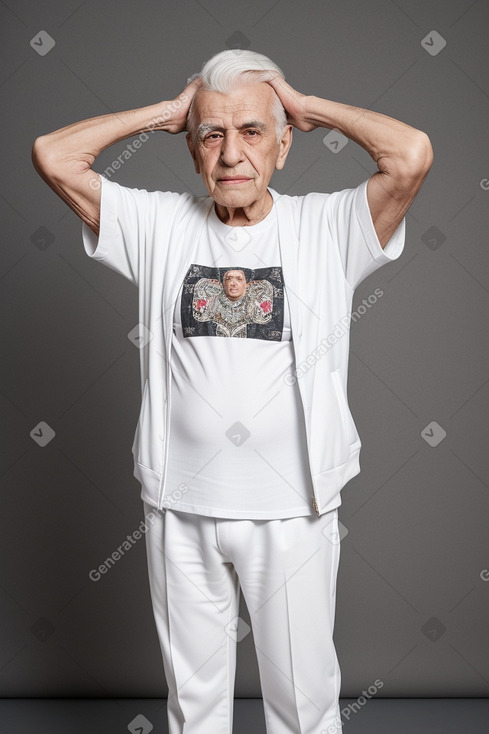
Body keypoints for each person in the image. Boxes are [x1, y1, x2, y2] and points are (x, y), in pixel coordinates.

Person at [32, 49, 433, 734]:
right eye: (211, 134)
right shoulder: (157, 224)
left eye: (251, 131)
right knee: (193, 711)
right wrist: (165, 112)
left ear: (283, 144)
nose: (230, 154)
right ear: (191, 148)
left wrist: (307, 106)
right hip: (177, 507)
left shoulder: (327, 228)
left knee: (303, 707)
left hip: (292, 511)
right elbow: (54, 154)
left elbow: (410, 154)